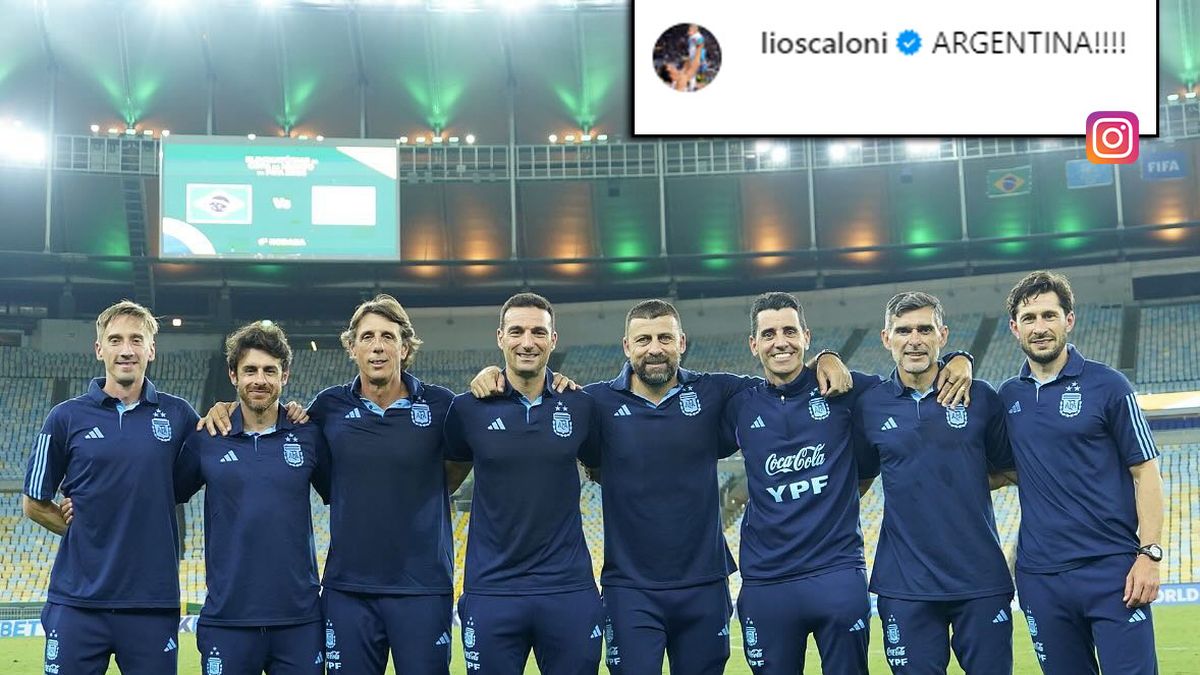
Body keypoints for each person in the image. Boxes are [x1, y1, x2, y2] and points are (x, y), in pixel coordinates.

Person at [470, 297, 855, 674]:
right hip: (630, 589)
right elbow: (543, 405)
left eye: (665, 339)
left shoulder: (716, 392)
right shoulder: (593, 403)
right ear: (627, 347)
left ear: (681, 343)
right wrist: (494, 374)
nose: (655, 349)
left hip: (704, 583)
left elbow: (782, 374)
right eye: (643, 340)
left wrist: (825, 357)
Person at [204, 295, 463, 675]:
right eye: (368, 336)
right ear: (352, 347)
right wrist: (223, 407)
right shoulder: (328, 408)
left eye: (388, 336)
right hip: (348, 592)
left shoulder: (443, 406)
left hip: (422, 588)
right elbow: (280, 430)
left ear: (404, 347)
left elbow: (460, 465)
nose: (378, 346)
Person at [722, 292, 974, 675]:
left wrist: (960, 358)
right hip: (766, 582)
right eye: (769, 333)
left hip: (836, 574)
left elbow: (913, 375)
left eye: (790, 331)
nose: (781, 342)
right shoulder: (738, 401)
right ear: (754, 344)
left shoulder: (847, 390)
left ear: (806, 336)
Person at [998, 271, 1163, 674]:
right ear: (1014, 327)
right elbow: (996, 472)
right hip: (1040, 579)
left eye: (1049, 316)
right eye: (1030, 318)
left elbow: (1146, 473)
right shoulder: (1007, 397)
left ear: (1069, 320)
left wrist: (1150, 554)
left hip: (1113, 571)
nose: (1040, 328)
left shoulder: (1109, 386)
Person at [23, 300, 199, 674]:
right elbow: (33, 501)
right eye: (115, 339)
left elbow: (222, 447)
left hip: (151, 604)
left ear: (151, 349)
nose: (126, 350)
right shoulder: (65, 417)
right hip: (78, 603)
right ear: (99, 348)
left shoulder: (179, 414)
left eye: (137, 339)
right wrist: (70, 523)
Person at [853, 292, 1015, 675]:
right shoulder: (870, 405)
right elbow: (859, 480)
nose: (915, 339)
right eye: (903, 330)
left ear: (942, 334)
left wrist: (961, 477)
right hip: (905, 585)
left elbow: (1013, 470)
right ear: (886, 337)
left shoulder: (981, 397)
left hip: (980, 580)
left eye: (925, 329)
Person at [443, 292, 604, 674]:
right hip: (492, 591)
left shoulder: (581, 406)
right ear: (500, 337)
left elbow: (603, 471)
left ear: (553, 339)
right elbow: (444, 483)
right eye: (516, 331)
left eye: (538, 331)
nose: (527, 342)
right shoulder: (467, 409)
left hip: (568, 589)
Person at [173, 320, 331, 674]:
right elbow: (164, 494)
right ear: (233, 375)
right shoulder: (208, 436)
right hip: (227, 619)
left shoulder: (308, 436)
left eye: (269, 371)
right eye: (250, 370)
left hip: (299, 619)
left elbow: (346, 496)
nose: (260, 379)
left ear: (284, 376)